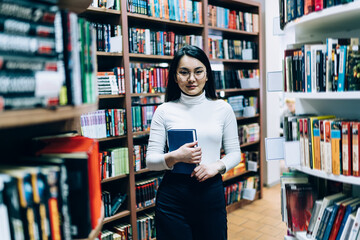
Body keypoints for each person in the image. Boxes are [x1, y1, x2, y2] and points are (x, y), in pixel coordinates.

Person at [146, 45, 241, 240]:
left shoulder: (222, 109)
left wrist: (216, 166)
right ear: (175, 77)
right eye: (184, 72)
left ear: (207, 75)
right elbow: (150, 161)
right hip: (173, 196)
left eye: (198, 72)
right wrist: (174, 157)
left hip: (210, 191)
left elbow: (235, 153)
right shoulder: (163, 111)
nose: (191, 79)